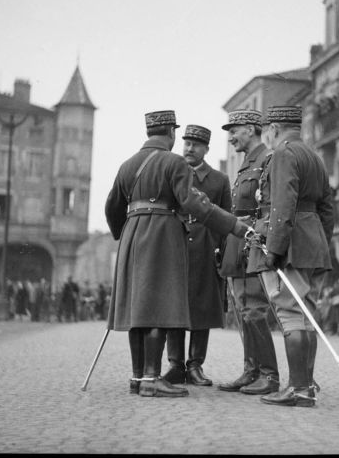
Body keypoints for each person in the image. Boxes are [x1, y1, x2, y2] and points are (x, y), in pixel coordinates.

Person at [105, 110, 249, 398]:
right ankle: (151, 378)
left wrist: (126, 232)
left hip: (133, 236)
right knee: (160, 305)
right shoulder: (174, 163)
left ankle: (137, 377)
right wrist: (234, 225)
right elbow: (192, 203)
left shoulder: (126, 165)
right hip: (163, 236)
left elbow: (111, 208)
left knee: (139, 308)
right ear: (171, 133)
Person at [248, 105, 334, 408]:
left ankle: (298, 390)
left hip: (292, 243)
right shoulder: (314, 156)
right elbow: (327, 209)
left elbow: (282, 205)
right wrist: (320, 242)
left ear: (273, 129)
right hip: (313, 244)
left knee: (290, 314)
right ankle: (305, 384)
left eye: (266, 132)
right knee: (307, 316)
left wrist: (274, 249)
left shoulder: (283, 154)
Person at [162, 125, 232, 387]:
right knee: (174, 306)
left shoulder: (218, 180)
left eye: (196, 145)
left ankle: (195, 366)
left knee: (202, 307)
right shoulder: (172, 173)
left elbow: (227, 219)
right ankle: (175, 365)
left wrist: (220, 253)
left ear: (206, 150)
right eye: (187, 144)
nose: (189, 148)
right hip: (175, 245)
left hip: (205, 248)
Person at [217, 109, 280, 396]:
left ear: (253, 128)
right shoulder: (246, 164)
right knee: (243, 310)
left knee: (254, 309)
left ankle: (269, 374)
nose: (230, 136)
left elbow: (270, 206)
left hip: (254, 243)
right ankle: (251, 370)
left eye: (236, 129)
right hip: (239, 243)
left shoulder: (268, 159)